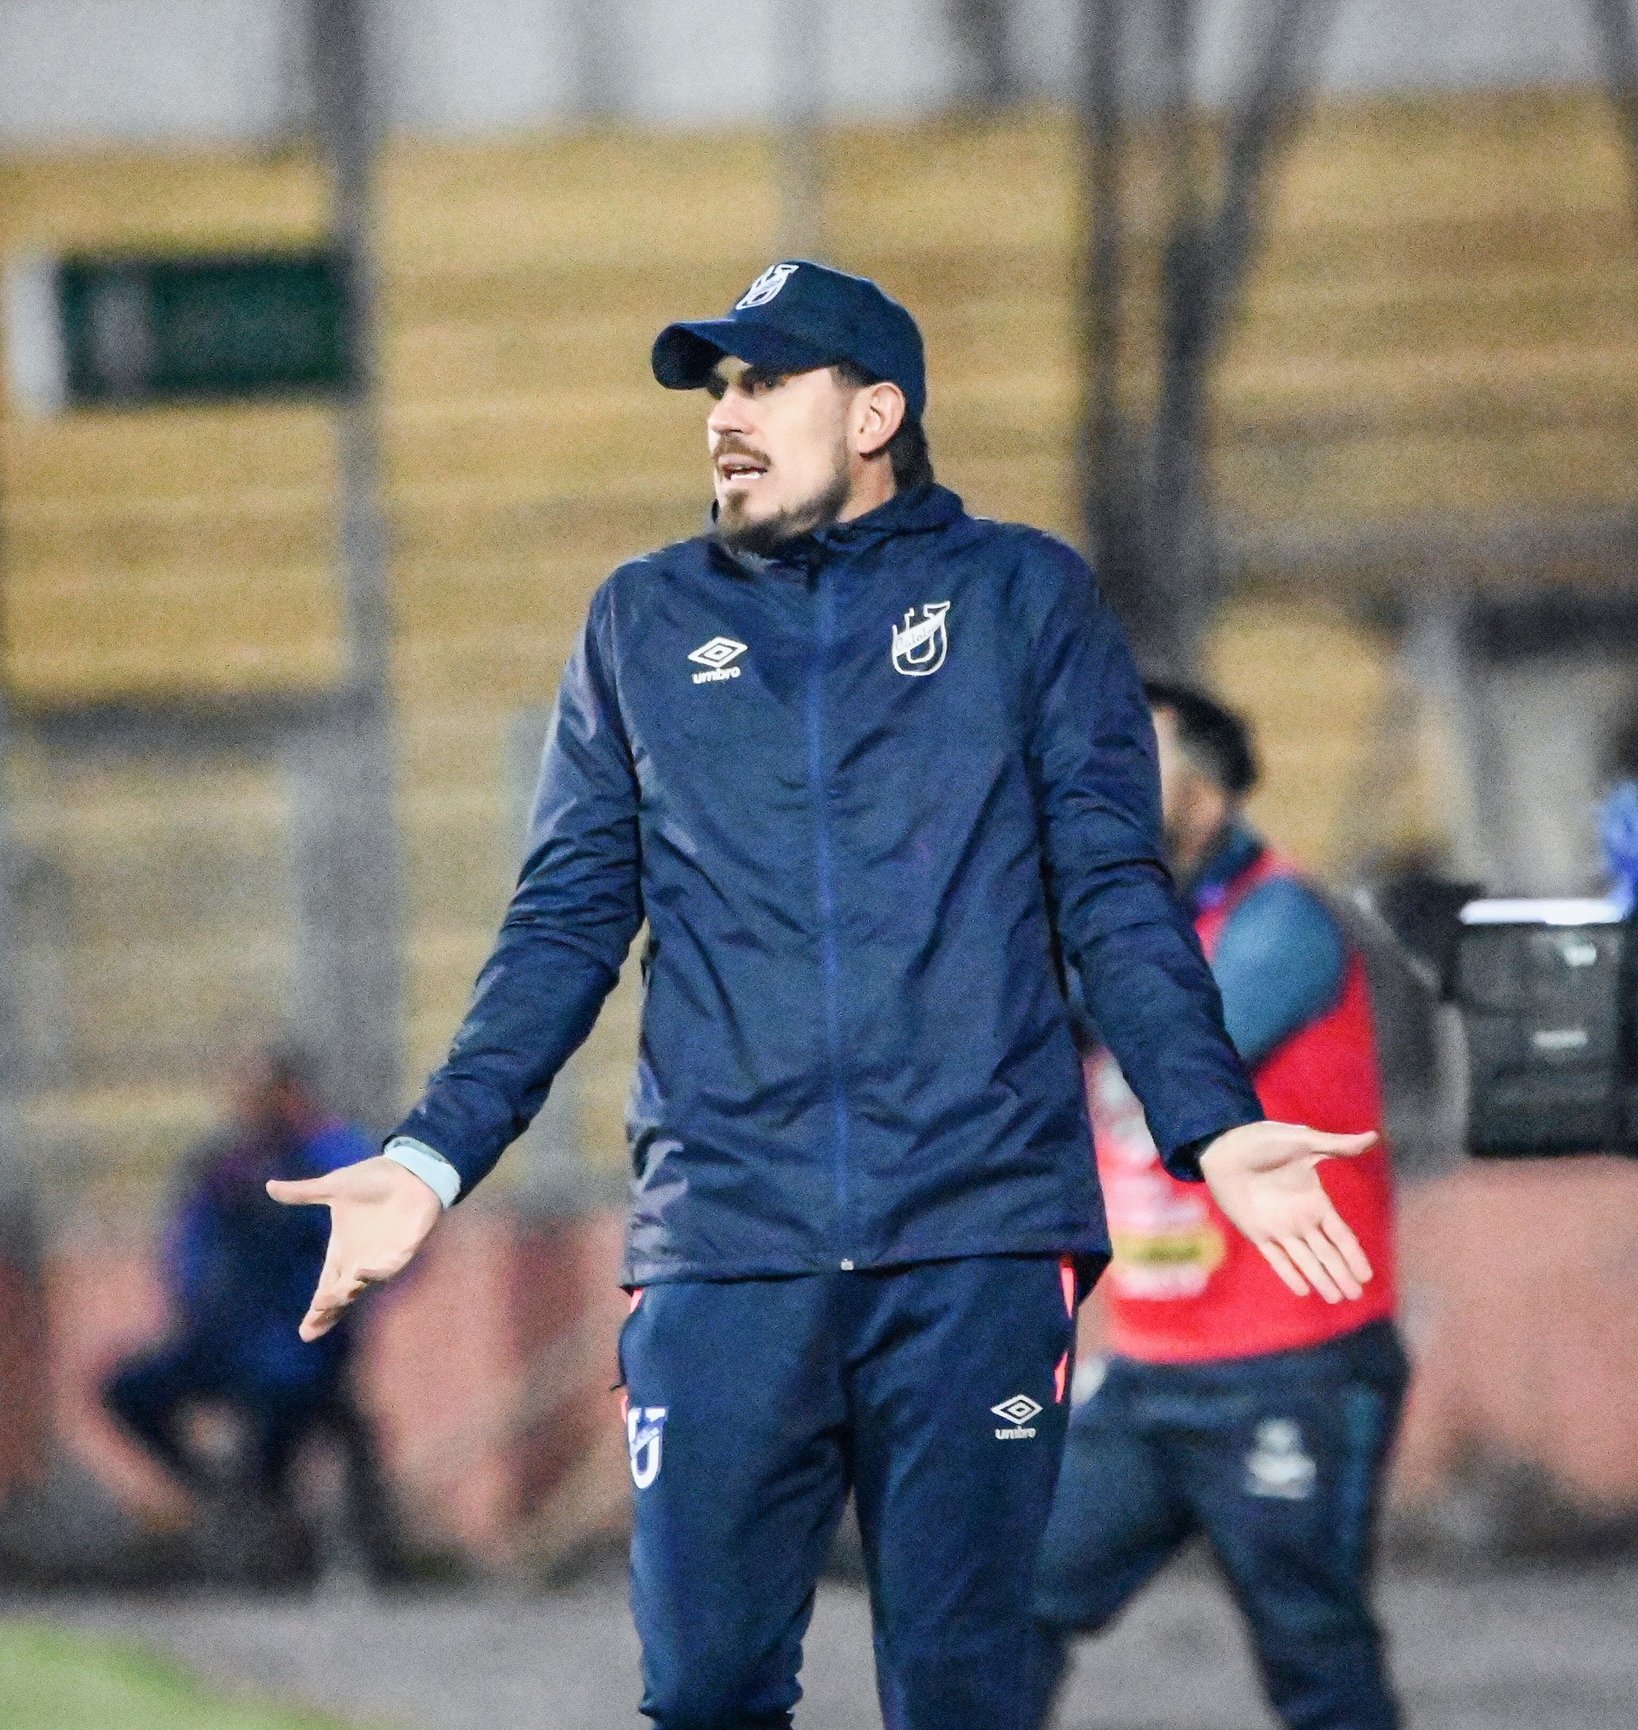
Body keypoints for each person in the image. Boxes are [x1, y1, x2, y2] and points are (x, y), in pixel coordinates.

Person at [269, 261, 1379, 1729]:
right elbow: (560, 930)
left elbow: (1113, 893)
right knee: (708, 1689)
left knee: (962, 1696)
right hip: (726, 1246)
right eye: (711, 391)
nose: (722, 418)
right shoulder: (640, 624)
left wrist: (1211, 1124)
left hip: (976, 1240)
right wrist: (429, 1157)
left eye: (758, 382)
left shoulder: (1022, 598)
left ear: (875, 412)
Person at [1029, 683, 1407, 1730]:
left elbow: (1184, 1044)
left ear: (1206, 795)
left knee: (1314, 1654)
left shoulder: (1282, 917)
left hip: (1297, 1362)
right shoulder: (1107, 927)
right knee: (1009, 1598)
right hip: (1151, 1374)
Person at [103, 1045, 398, 1582]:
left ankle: (273, 1530)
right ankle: (218, 1492)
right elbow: (186, 1250)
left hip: (302, 1350)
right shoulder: (226, 1166)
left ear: (289, 1093)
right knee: (128, 1389)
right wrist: (196, 1308)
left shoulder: (339, 1157)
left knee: (282, 1411)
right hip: (224, 1342)